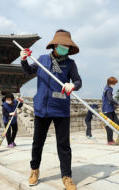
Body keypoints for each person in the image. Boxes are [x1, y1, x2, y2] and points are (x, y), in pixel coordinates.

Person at [21, 29, 82, 190]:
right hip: (42, 108)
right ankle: (34, 170)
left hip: (61, 109)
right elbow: (28, 71)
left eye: (68, 46)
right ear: (55, 45)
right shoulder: (42, 60)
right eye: (63, 46)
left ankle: (67, 176)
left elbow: (78, 81)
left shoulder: (70, 63)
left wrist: (72, 85)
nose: (66, 49)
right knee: (37, 143)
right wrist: (23, 59)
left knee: (63, 145)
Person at [101, 77, 119, 145]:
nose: (114, 84)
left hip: (110, 109)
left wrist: (116, 105)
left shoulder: (108, 89)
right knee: (109, 125)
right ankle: (110, 140)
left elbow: (110, 100)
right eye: (114, 83)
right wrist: (118, 103)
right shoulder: (108, 90)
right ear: (110, 83)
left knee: (117, 123)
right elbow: (110, 99)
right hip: (107, 110)